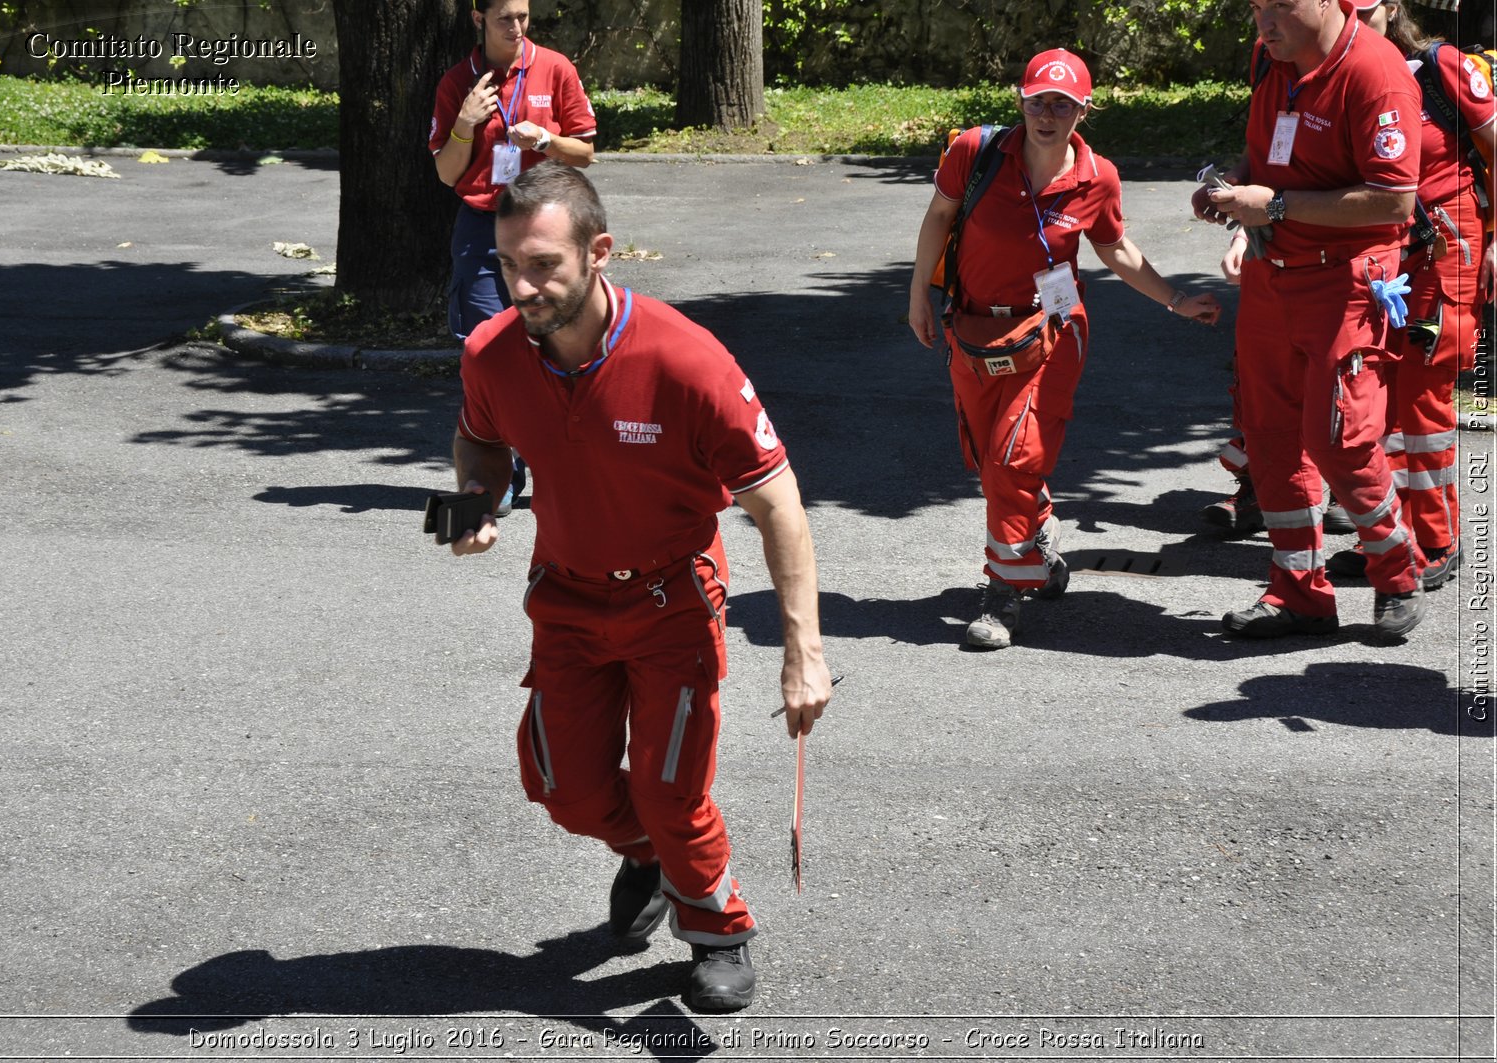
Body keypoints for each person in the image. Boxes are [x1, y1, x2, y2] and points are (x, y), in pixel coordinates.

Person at [444, 163, 834, 1012]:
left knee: (669, 787)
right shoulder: (493, 354)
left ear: (601, 252)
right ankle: (648, 854)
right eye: (510, 263)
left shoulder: (685, 359)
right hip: (568, 600)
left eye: (544, 263)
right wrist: (477, 502)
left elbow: (780, 504)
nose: (524, 284)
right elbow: (479, 442)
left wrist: (803, 651)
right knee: (563, 786)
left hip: (672, 601)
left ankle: (717, 926)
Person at [907, 48, 1221, 650]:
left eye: (1063, 104)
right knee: (987, 459)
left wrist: (1175, 300)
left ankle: (1003, 593)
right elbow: (939, 216)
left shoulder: (1096, 175)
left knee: (1011, 459)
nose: (1047, 115)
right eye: (1037, 101)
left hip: (1052, 333)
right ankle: (1039, 538)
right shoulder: (974, 153)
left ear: (1084, 110)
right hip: (972, 330)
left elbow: (1115, 248)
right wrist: (919, 293)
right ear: (1020, 100)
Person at [1194, 0, 1428, 639]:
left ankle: (1397, 568)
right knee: (1268, 437)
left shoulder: (1375, 73)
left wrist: (1273, 207)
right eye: (1255, 8)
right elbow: (1263, 157)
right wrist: (1231, 188)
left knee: (1339, 440)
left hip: (1345, 282)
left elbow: (1394, 198)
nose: (1262, 24)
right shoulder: (1274, 61)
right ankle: (1298, 593)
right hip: (1274, 279)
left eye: (1278, 7)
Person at [1321, 0, 1495, 591]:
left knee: (1422, 402)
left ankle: (1437, 542)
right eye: (1344, 11)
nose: (1353, 20)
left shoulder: (1442, 67)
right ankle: (1395, 542)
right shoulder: (1342, 75)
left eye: (1364, 11)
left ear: (1391, 9)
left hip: (1448, 244)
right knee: (1383, 399)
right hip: (1387, 252)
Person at [429, 0, 597, 513]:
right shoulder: (458, 81)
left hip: (547, 225)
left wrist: (546, 139)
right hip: (482, 228)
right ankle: (502, 475)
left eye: (524, 17)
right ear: (478, 19)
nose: (517, 28)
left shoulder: (554, 68)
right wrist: (465, 121)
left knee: (556, 345)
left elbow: (586, 151)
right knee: (488, 351)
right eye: (505, 18)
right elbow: (447, 173)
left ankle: (565, 463)